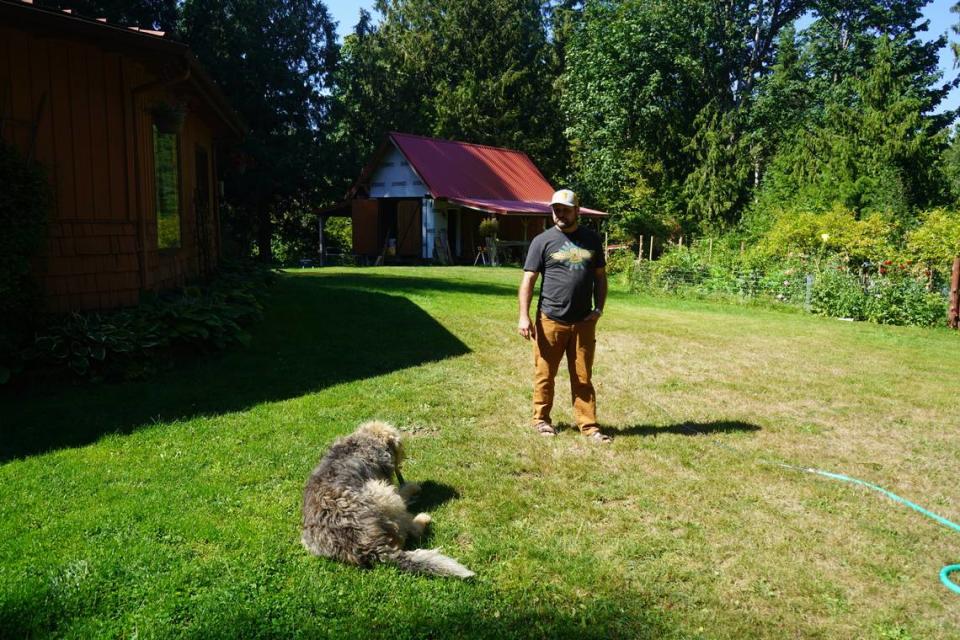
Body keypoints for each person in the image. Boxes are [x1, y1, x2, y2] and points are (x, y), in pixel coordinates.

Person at [517, 189, 610, 443]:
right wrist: (523, 316)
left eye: (566, 210)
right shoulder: (542, 241)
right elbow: (528, 280)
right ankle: (541, 420)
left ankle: (589, 426)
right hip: (550, 319)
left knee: (582, 376)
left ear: (577, 211)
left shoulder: (592, 240)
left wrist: (599, 308)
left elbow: (601, 278)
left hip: (583, 322)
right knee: (545, 374)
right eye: (556, 209)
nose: (560, 214)